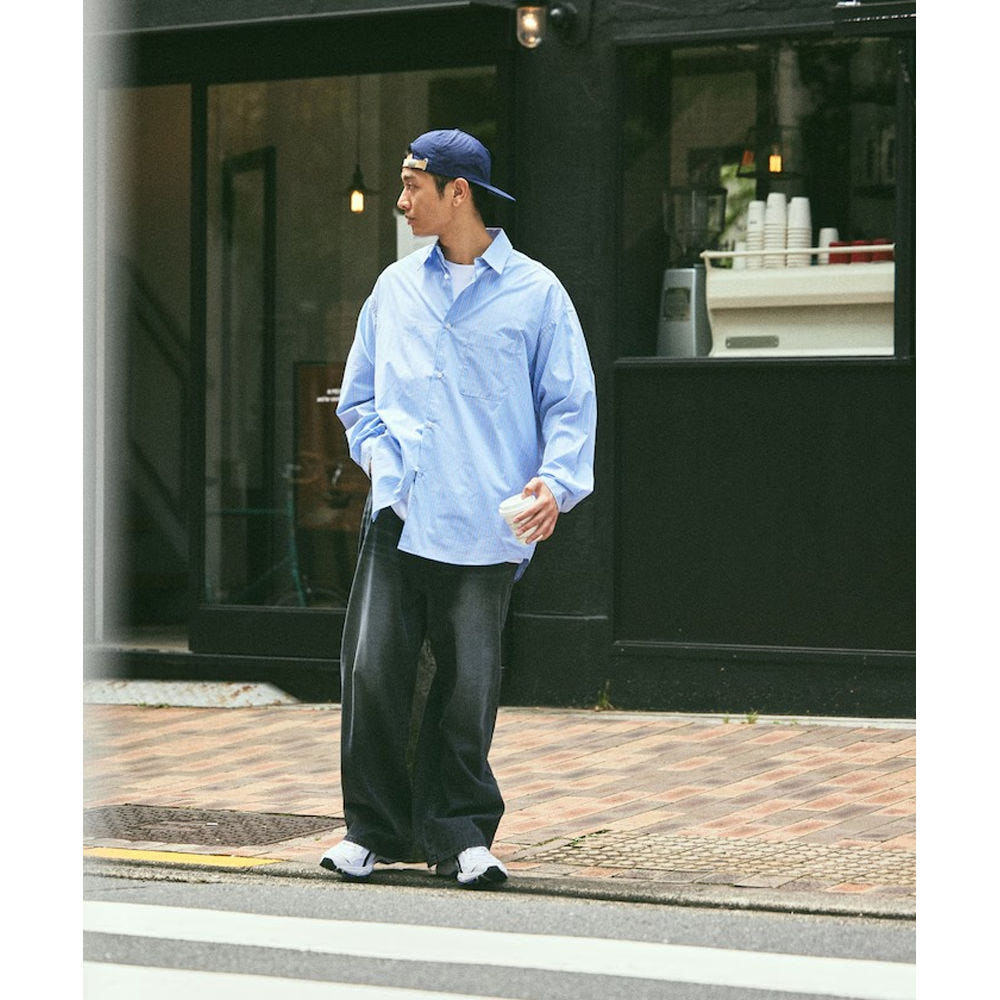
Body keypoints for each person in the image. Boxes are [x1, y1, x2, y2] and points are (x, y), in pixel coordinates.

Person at [320, 128, 596, 888]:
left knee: (468, 686)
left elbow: (569, 403)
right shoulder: (393, 289)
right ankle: (371, 831)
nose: (401, 200)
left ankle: (462, 835)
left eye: (413, 186)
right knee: (371, 673)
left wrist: (556, 483)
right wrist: (386, 469)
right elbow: (359, 400)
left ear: (458, 192)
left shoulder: (537, 294)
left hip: (484, 522)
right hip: (399, 516)